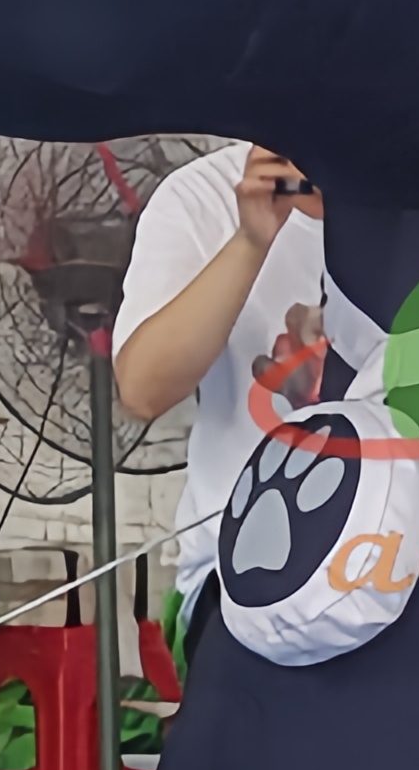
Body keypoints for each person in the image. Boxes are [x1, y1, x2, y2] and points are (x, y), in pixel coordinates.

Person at [112, 146, 325, 632]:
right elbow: (143, 390)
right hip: (243, 572)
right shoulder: (200, 197)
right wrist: (252, 241)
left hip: (407, 558)